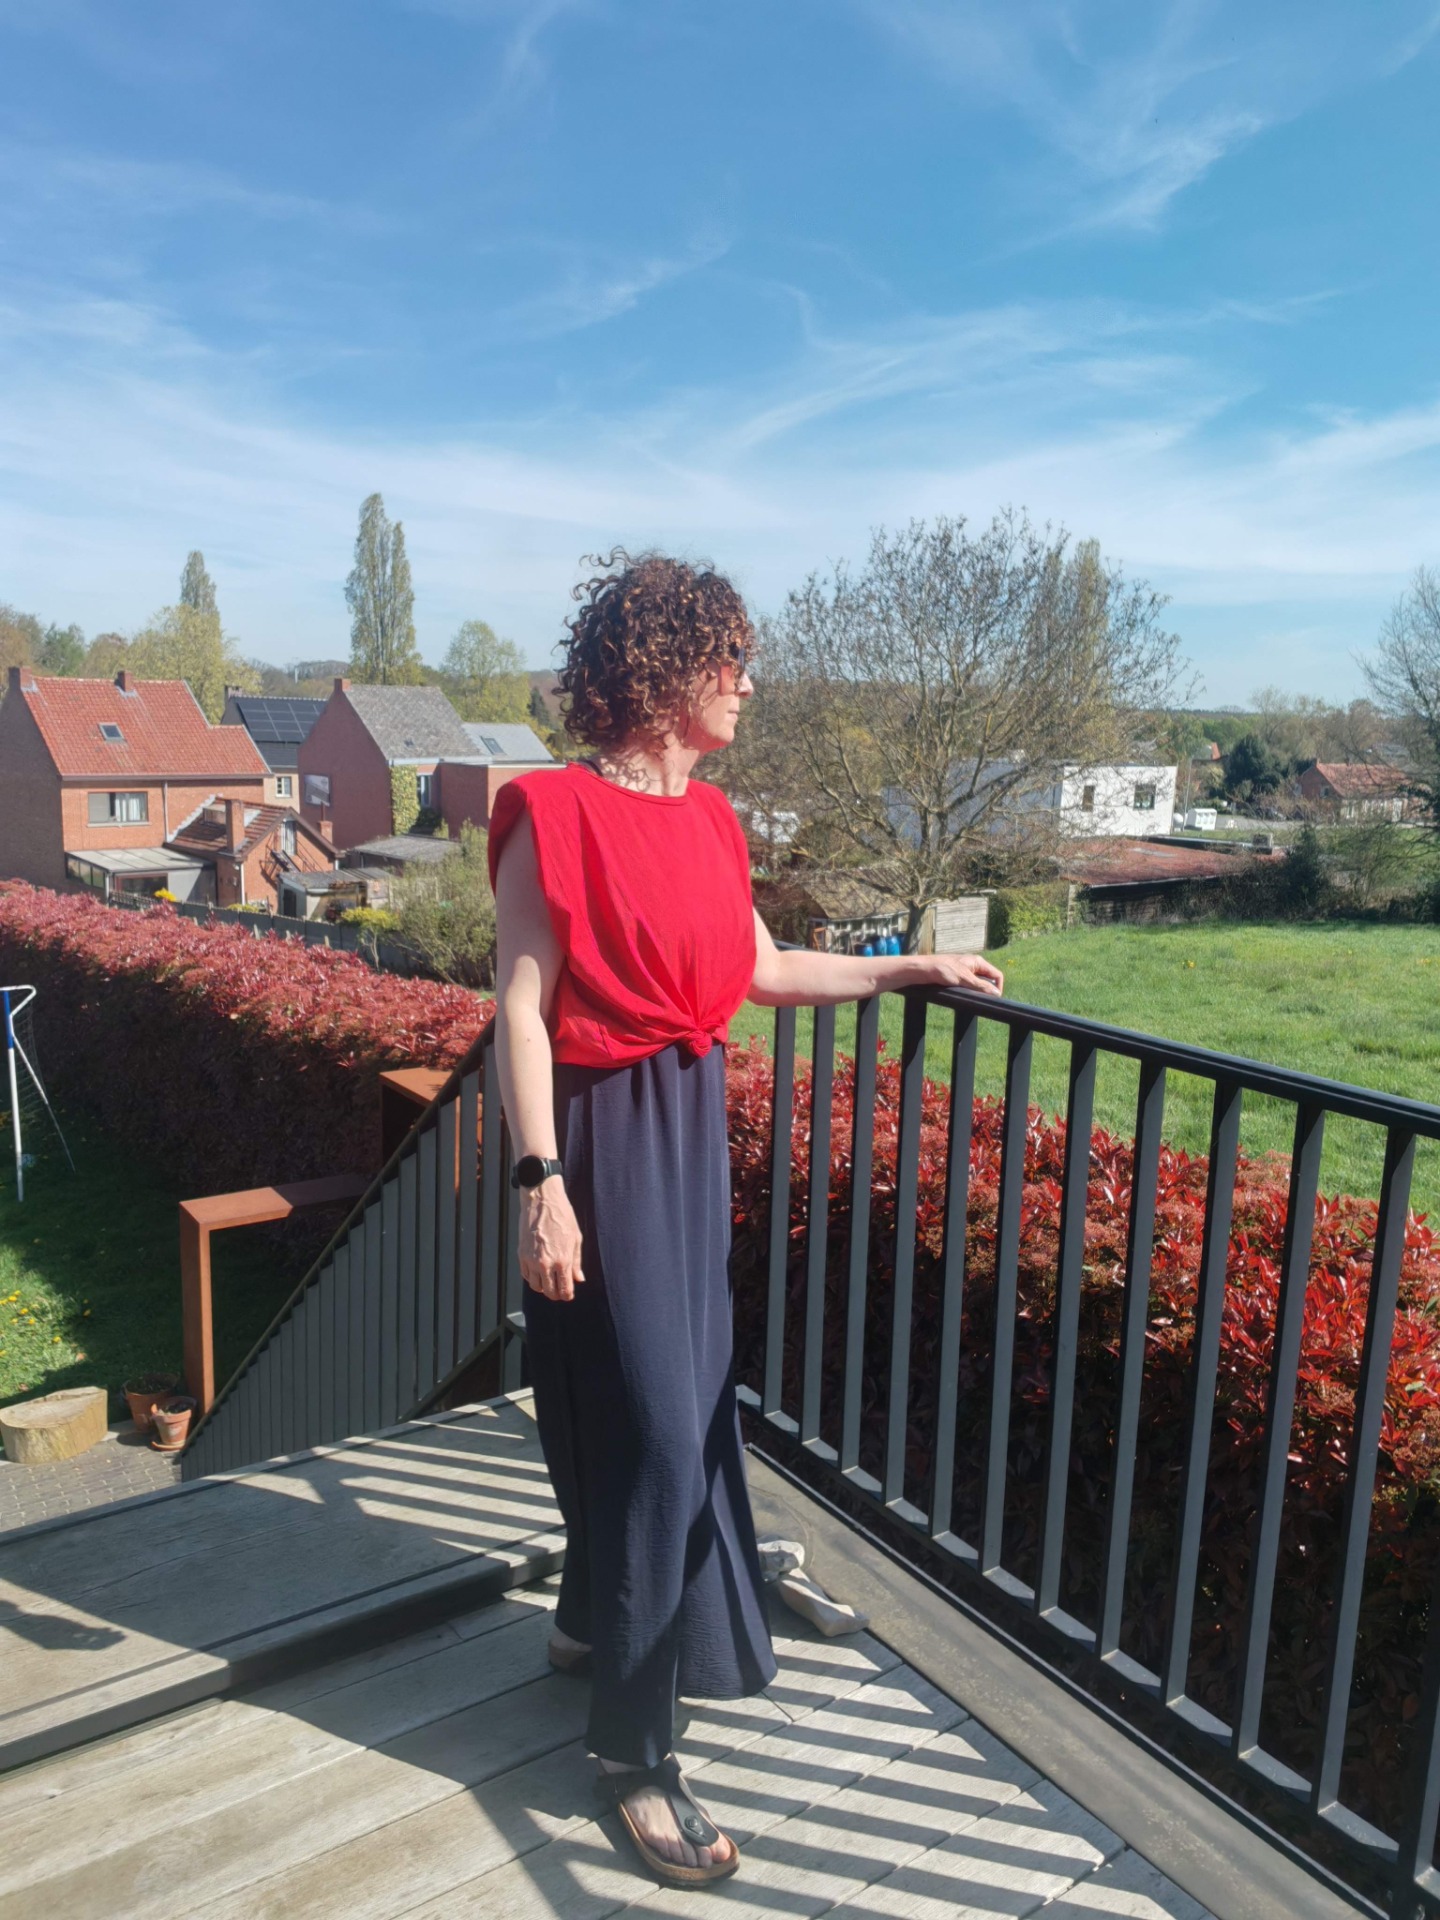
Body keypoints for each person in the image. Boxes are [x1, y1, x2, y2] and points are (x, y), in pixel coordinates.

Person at [488, 551, 1004, 1891]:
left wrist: (911, 964)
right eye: (736, 662)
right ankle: (632, 1754)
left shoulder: (714, 823)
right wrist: (540, 1183)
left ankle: (586, 1622)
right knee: (658, 1429)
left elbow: (761, 969)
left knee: (673, 1404)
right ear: (669, 671)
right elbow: (522, 1011)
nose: (751, 687)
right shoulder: (552, 809)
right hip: (599, 1139)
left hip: (687, 1133)